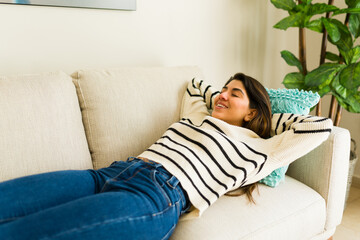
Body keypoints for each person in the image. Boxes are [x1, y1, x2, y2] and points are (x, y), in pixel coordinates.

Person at [0, 73, 333, 240]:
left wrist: (264, 119)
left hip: (156, 195)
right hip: (109, 173)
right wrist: (222, 102)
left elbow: (320, 127)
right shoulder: (198, 117)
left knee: (28, 231)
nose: (222, 95)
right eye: (223, 89)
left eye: (235, 93)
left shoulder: (261, 149)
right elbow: (194, 85)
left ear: (252, 111)